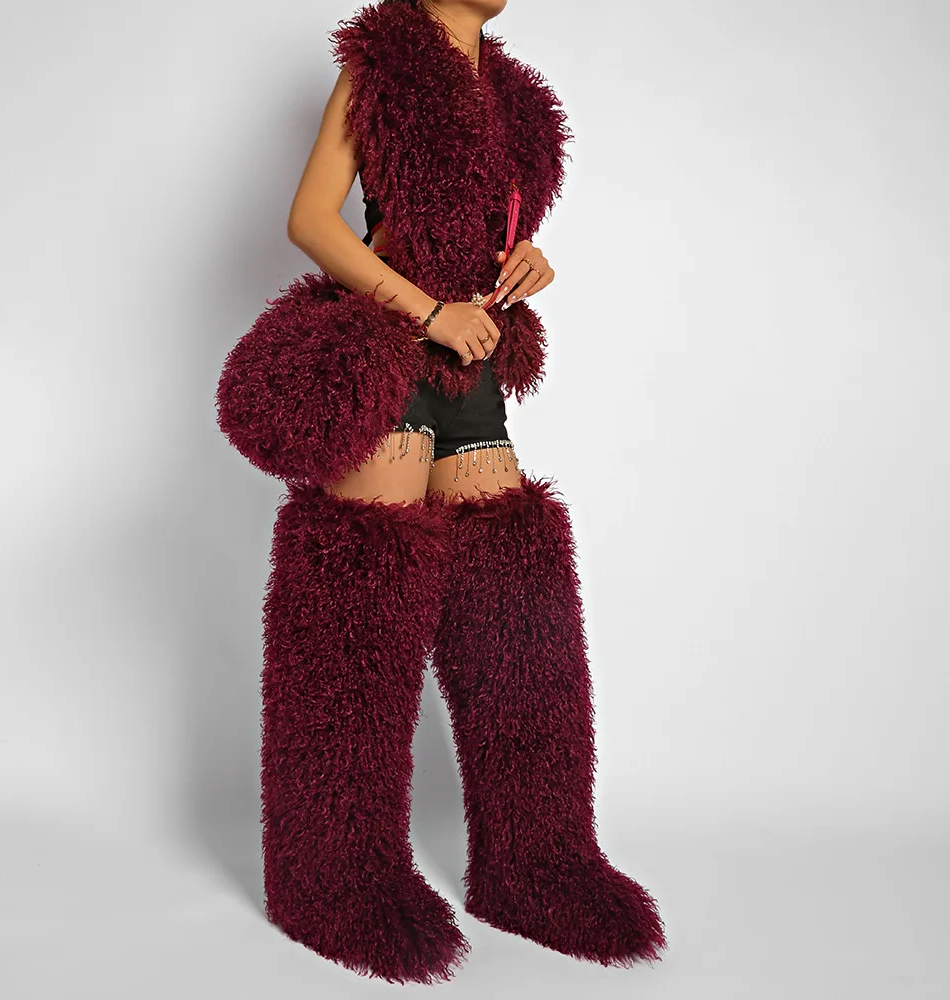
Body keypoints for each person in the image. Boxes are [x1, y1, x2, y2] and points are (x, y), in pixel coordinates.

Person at [231, 0, 667, 984]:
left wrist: (523, 261)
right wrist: (428, 311)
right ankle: (331, 876)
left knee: (519, 608)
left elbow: (481, 233)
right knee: (358, 623)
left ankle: (535, 863)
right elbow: (310, 220)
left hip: (467, 359)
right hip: (386, 349)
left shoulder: (511, 99)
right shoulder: (381, 64)